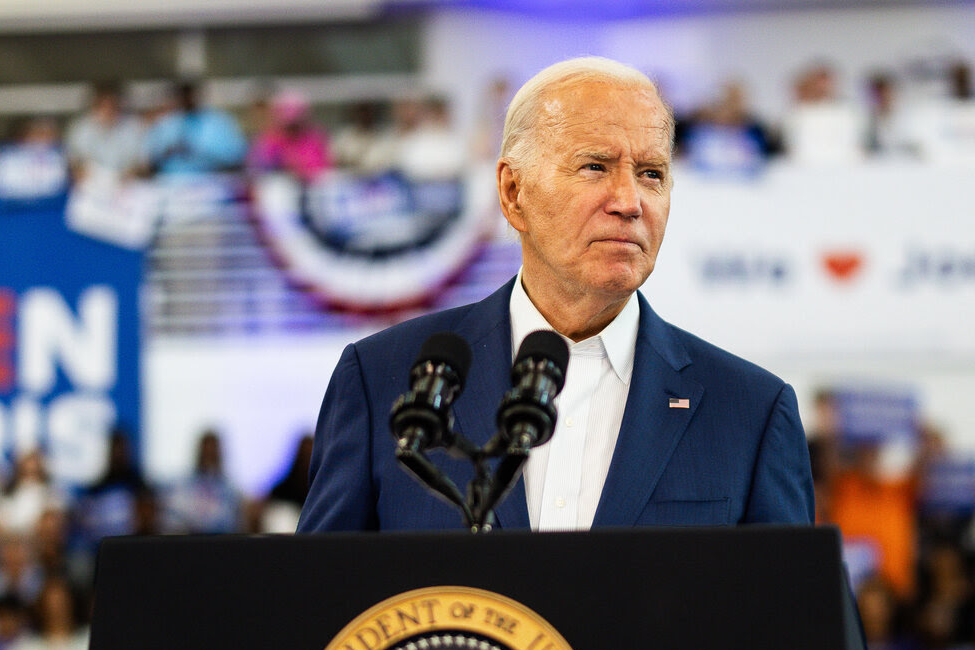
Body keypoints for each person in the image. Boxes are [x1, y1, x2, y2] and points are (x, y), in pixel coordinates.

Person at [298, 57, 813, 533]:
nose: (630, 202)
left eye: (651, 173)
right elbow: (320, 609)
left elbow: (795, 625)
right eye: (595, 167)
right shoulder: (379, 380)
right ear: (513, 193)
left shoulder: (751, 412)